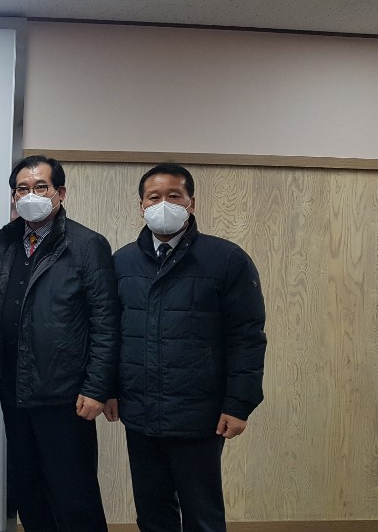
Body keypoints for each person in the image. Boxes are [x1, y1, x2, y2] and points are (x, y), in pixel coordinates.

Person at [105, 163, 266, 532]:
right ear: (141, 206)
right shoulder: (122, 262)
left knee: (202, 515)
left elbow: (247, 336)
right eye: (154, 197)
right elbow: (111, 331)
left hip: (199, 413)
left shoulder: (226, 259)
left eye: (174, 196)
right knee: (152, 512)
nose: (163, 204)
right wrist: (109, 388)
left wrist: (239, 403)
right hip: (140, 410)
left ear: (191, 202)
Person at [0, 155, 118, 532]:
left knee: (74, 495)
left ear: (60, 192)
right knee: (28, 490)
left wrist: (97, 387)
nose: (30, 195)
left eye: (40, 187)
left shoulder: (87, 244)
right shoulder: (7, 239)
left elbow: (106, 321)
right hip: (15, 390)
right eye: (22, 189)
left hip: (66, 395)